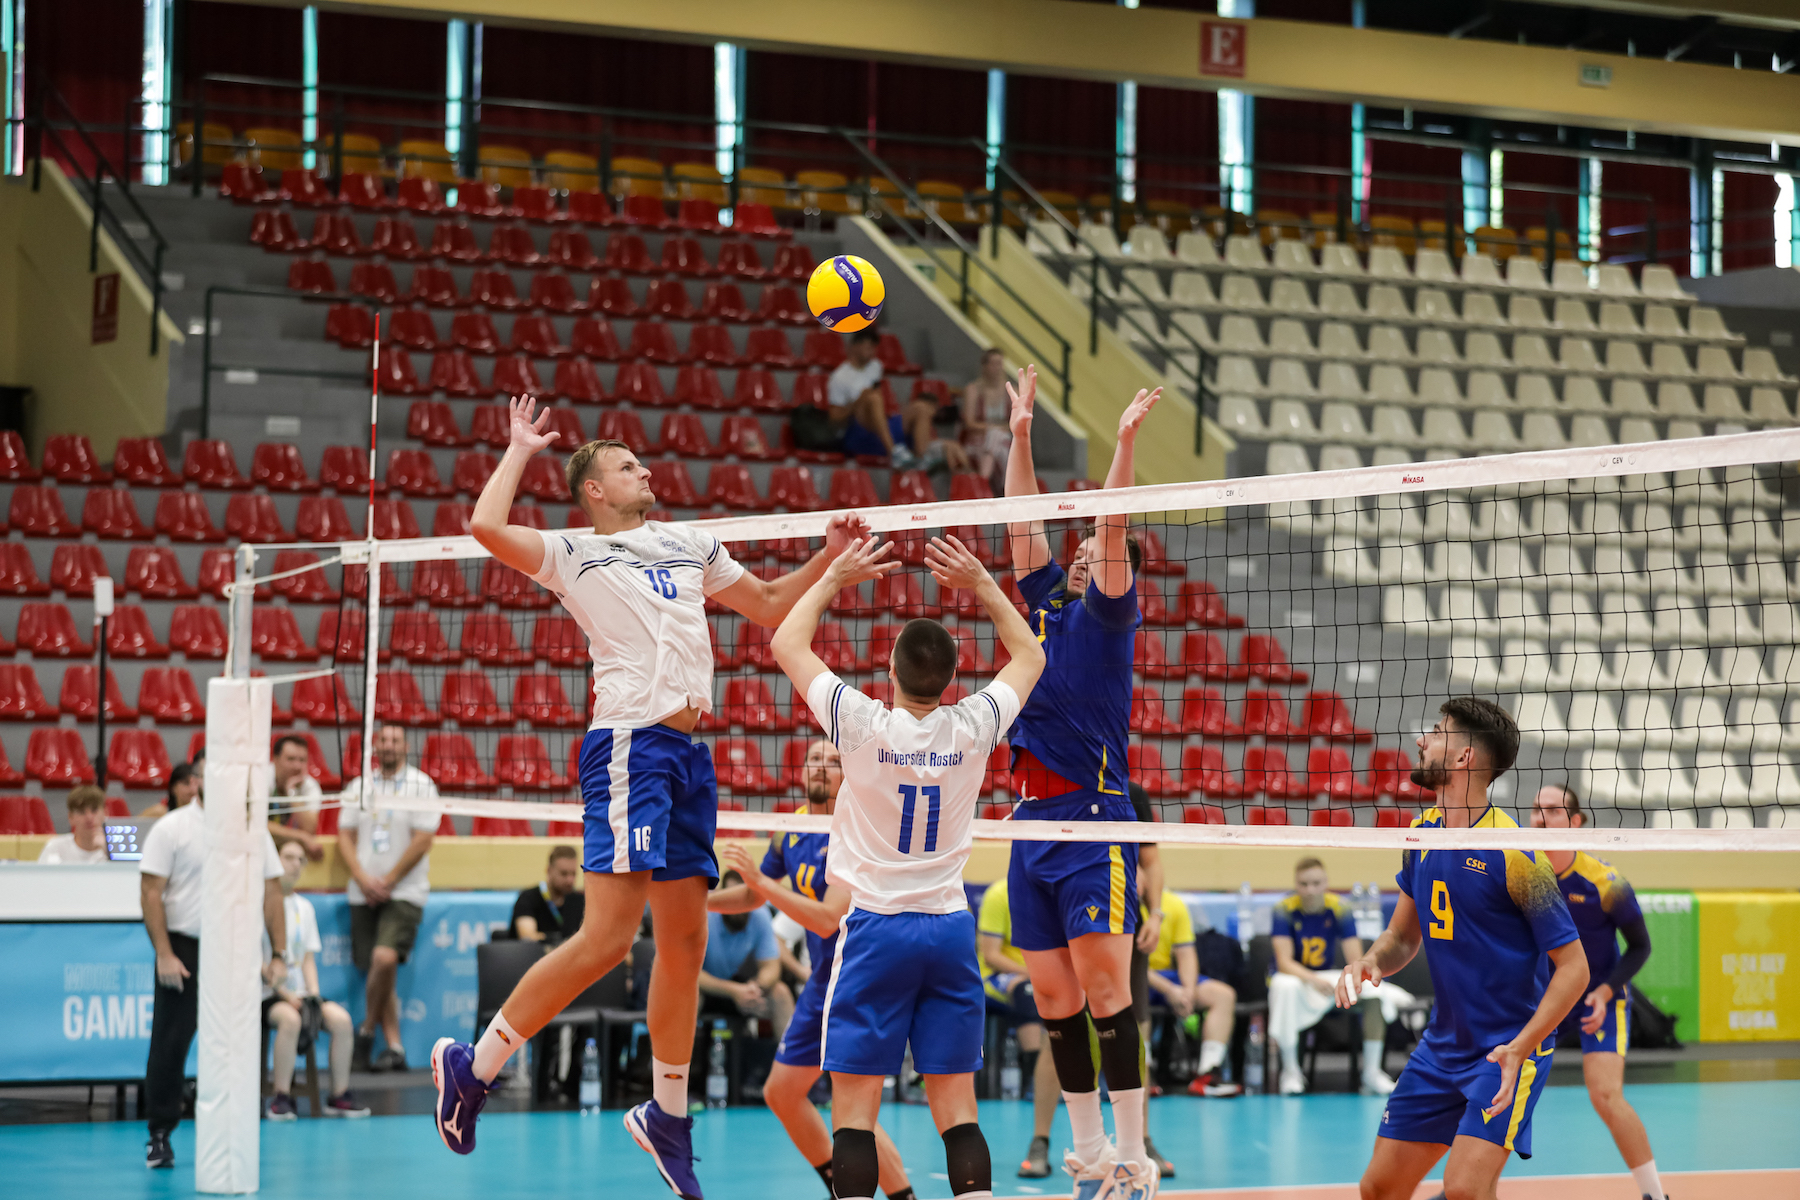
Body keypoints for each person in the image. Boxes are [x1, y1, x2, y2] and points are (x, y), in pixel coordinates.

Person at [432, 401, 870, 1200]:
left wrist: (829, 559)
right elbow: (485, 527)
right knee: (607, 938)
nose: (645, 471)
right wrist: (520, 449)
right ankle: (475, 1064)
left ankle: (667, 1116)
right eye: (627, 467)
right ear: (594, 490)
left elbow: (769, 605)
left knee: (686, 943)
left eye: (641, 462)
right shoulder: (574, 552)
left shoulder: (690, 543)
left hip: (689, 758)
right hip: (631, 745)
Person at [769, 530, 1045, 1200]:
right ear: (951, 679)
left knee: (855, 1112)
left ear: (889, 673)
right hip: (948, 927)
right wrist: (983, 584)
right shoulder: (973, 726)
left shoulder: (861, 723)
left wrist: (834, 576)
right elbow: (1032, 655)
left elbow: (786, 643)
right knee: (957, 1111)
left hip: (876, 928)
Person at [1001, 362, 1164, 1200]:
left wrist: (1124, 443)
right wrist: (1021, 434)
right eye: (1079, 552)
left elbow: (1111, 522)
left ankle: (1135, 1158)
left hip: (1093, 822)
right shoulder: (1041, 607)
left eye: (1099, 555)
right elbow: (1022, 520)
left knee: (1105, 992)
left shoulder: (1107, 618)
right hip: (1028, 825)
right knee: (1053, 998)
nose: (1083, 556)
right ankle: (1091, 1153)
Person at [1338, 698, 1588, 1200]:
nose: (1421, 740)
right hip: (1442, 1048)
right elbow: (1402, 938)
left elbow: (1575, 968)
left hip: (1507, 1050)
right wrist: (1370, 960)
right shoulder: (1422, 833)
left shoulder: (1516, 852)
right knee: (1378, 1189)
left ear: (1463, 757)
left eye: (1436, 732)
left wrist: (1522, 1046)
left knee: (1465, 1190)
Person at [710, 738, 917, 1200]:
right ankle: (837, 1184)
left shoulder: (858, 827)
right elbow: (754, 895)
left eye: (834, 761)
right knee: (782, 1093)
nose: (822, 767)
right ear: (801, 771)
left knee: (852, 1111)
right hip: (824, 981)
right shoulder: (790, 829)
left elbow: (826, 918)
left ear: (850, 774)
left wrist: (762, 884)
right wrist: (696, 903)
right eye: (815, 759)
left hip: (861, 979)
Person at [139, 780, 285, 1168]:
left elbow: (273, 891)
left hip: (236, 950)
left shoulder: (254, 831)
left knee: (239, 1045)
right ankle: (159, 1134)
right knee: (170, 1042)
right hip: (184, 948)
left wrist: (279, 954)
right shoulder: (173, 827)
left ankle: (237, 1132)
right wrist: (164, 953)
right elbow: (151, 891)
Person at [1530, 784, 1667, 1200]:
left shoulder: (1605, 881)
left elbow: (1640, 946)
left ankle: (1655, 1194)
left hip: (1597, 1000)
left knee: (1606, 1095)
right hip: (1542, 1001)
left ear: (1575, 822)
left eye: (1552, 810)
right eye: (1535, 809)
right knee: (1501, 1089)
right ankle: (1467, 1187)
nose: (1540, 818)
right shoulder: (1521, 872)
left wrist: (1606, 991)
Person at [338, 721, 439, 1073]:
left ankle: (365, 1031)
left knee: (384, 959)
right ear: (375, 745)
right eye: (384, 739)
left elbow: (423, 839)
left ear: (406, 746)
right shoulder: (360, 786)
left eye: (396, 739)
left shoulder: (421, 785)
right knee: (379, 972)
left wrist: (390, 881)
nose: (390, 745)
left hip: (405, 891)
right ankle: (395, 1047)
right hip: (362, 890)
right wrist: (364, 879)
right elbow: (344, 835)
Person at [1268, 857, 1397, 1097]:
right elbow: (1284, 962)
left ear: (1326, 883)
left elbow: (1356, 960)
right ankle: (1291, 1072)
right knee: (1284, 987)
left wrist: (1351, 981)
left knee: (1375, 990)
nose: (1310, 890)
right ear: (1296, 884)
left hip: (1325, 977)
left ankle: (1371, 1073)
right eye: (1304, 884)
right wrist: (1312, 980)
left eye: (1316, 883)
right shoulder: (1282, 909)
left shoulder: (1341, 908)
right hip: (1295, 977)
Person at [264, 839, 370, 1119]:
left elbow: (307, 959)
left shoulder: (305, 908)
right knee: (290, 1019)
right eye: (289, 857)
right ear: (274, 860)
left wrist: (312, 993)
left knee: (342, 1021)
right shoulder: (259, 905)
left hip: (301, 994)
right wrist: (287, 996)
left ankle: (338, 1095)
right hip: (268, 995)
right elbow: (257, 963)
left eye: (300, 859)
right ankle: (281, 1097)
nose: (295, 864)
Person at [976, 877, 1061, 1177]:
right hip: (997, 977)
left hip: (1046, 974)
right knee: (1027, 991)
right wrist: (1032, 973)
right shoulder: (999, 894)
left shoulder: (1057, 891)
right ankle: (1031, 1074)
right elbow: (991, 955)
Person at [823, 329, 943, 469]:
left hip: (881, 425)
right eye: (868, 346)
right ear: (855, 346)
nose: (872, 351)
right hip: (857, 432)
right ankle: (894, 453)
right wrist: (858, 402)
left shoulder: (876, 367)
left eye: (874, 347)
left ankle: (923, 458)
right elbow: (834, 419)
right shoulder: (839, 377)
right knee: (872, 398)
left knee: (921, 408)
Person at [699, 869, 795, 1038]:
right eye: (733, 899)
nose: (740, 906)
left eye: (745, 899)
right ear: (723, 896)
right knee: (686, 995)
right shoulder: (703, 916)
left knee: (781, 993)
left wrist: (755, 987)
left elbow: (771, 966)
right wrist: (733, 991)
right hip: (710, 989)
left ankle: (789, 1054)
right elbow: (690, 974)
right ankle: (682, 1054)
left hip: (745, 989)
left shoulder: (760, 914)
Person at [961, 349, 1013, 488]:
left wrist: (997, 430)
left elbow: (1017, 423)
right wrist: (993, 428)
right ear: (984, 366)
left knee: (999, 441)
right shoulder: (973, 390)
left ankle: (983, 482)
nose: (997, 368)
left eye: (999, 363)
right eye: (993, 363)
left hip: (1004, 440)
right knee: (996, 438)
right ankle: (1007, 486)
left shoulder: (1011, 390)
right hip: (978, 440)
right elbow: (969, 423)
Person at [268, 734, 325, 860]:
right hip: (259, 842)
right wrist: (300, 836)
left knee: (293, 853)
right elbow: (256, 825)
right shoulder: (262, 779)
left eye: (302, 760)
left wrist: (292, 792)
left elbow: (309, 828)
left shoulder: (310, 786)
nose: (297, 766)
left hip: (285, 842)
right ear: (275, 760)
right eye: (291, 759)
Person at [512, 844, 585, 942]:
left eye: (573, 874)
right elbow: (528, 937)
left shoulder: (579, 901)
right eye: (564, 874)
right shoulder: (528, 898)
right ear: (549, 871)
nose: (570, 880)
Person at [38, 785, 108, 863]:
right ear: (70, 817)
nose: (89, 817)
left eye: (94, 810)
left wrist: (108, 851)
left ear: (105, 813)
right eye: (81, 812)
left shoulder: (113, 849)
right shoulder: (55, 848)